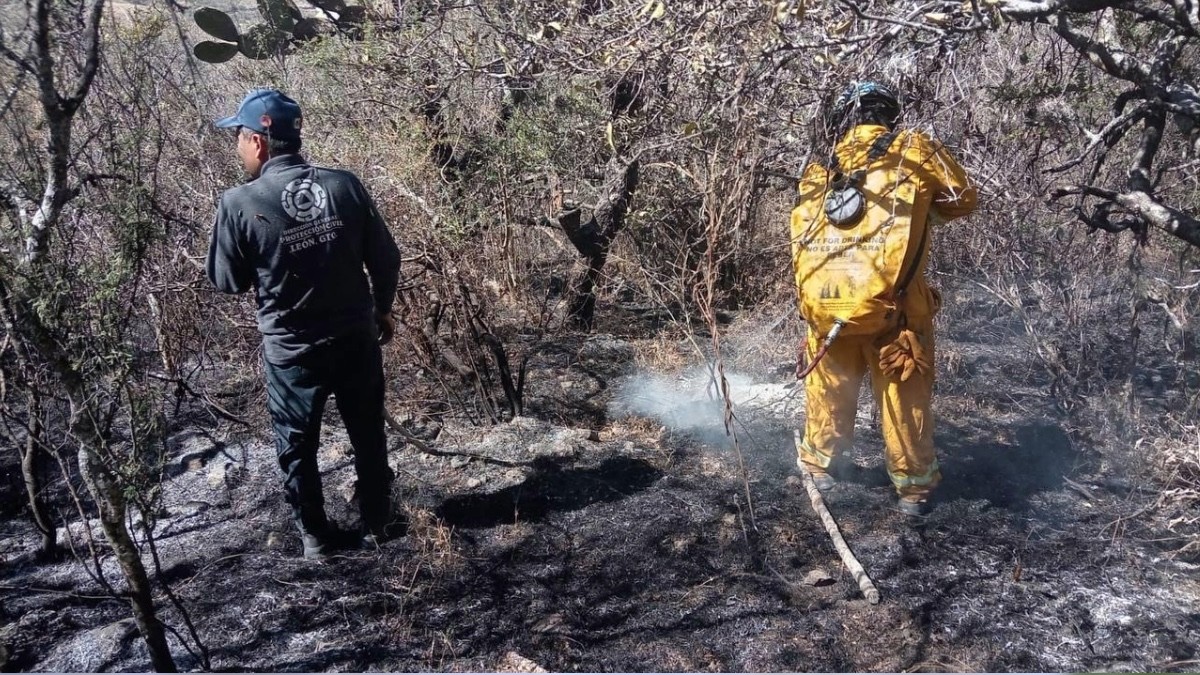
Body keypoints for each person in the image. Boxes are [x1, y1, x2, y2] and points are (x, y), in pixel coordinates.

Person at [206, 88, 401, 558]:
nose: (237, 146)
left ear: (258, 142)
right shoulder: (344, 184)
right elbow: (387, 257)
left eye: (238, 135)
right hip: (356, 338)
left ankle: (315, 536)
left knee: (297, 445)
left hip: (292, 352)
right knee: (367, 432)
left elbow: (227, 281)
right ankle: (378, 521)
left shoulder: (238, 202)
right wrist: (382, 309)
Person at [789, 81, 977, 516]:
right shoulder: (915, 149)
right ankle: (913, 490)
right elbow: (963, 200)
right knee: (902, 396)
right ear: (890, 116)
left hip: (826, 307)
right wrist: (924, 208)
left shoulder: (819, 165)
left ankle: (819, 465)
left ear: (841, 120)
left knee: (828, 388)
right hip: (896, 311)